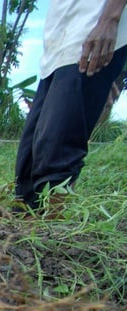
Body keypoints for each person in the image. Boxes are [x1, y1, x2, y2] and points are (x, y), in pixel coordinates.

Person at [14, 0, 127, 214]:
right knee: (28, 160)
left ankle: (53, 238)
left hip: (92, 34)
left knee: (58, 147)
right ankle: (24, 233)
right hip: (58, 50)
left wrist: (109, 19)